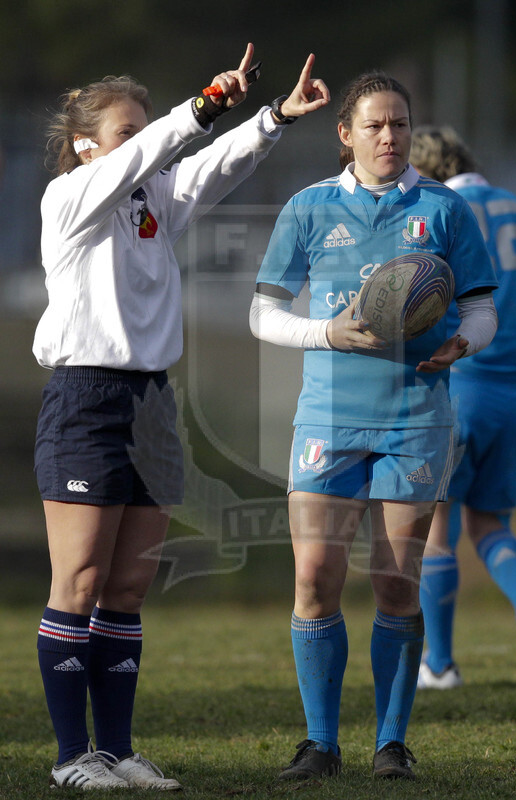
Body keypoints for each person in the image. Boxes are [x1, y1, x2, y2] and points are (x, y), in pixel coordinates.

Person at [32, 45, 329, 791]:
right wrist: (203, 104)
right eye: (124, 132)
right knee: (80, 579)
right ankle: (72, 758)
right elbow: (163, 150)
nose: (141, 144)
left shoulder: (149, 199)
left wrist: (272, 118)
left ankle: (118, 751)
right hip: (85, 399)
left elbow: (207, 168)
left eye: (143, 128)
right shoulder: (68, 198)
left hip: (152, 403)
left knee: (128, 589)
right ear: (85, 146)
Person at [250, 72, 498, 781]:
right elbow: (262, 313)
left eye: (399, 124)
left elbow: (482, 308)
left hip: (414, 418)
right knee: (313, 577)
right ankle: (319, 745)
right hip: (327, 419)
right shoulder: (308, 207)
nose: (390, 136)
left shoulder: (444, 208)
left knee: (394, 582)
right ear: (345, 134)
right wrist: (326, 332)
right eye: (375, 125)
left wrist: (464, 343)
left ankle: (391, 744)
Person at [410, 125, 516, 690]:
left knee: (437, 526)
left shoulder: (435, 211)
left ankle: (440, 664)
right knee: (492, 523)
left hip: (459, 385)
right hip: (515, 393)